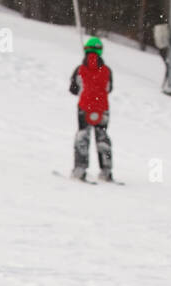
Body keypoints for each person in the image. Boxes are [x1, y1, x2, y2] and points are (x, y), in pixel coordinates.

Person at [69, 36, 115, 182]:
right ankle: (106, 171)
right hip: (102, 108)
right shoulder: (107, 71)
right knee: (102, 137)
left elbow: (73, 89)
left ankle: (80, 169)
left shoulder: (80, 69)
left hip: (84, 107)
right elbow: (109, 88)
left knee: (83, 136)